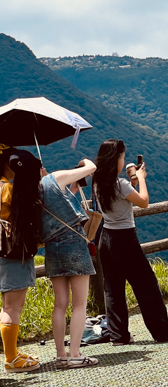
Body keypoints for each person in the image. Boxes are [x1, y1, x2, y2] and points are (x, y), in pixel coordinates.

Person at [92, 139, 168, 345]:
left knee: (113, 288)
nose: (123, 161)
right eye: (122, 157)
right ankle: (162, 330)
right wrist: (141, 179)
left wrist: (132, 183)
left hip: (106, 240)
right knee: (146, 284)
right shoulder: (120, 184)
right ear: (115, 159)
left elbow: (121, 198)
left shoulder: (98, 181)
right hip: (124, 239)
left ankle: (119, 336)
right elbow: (143, 202)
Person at [40, 156, 99, 368]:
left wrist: (70, 191)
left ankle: (61, 355)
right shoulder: (54, 178)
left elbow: (57, 211)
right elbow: (92, 167)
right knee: (80, 303)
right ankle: (75, 353)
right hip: (74, 243)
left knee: (60, 304)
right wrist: (84, 161)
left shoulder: (32, 191)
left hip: (52, 247)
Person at [0, 147, 41, 373]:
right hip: (11, 252)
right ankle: (11, 358)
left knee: (9, 306)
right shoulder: (6, 189)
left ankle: (12, 352)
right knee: (12, 307)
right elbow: (21, 215)